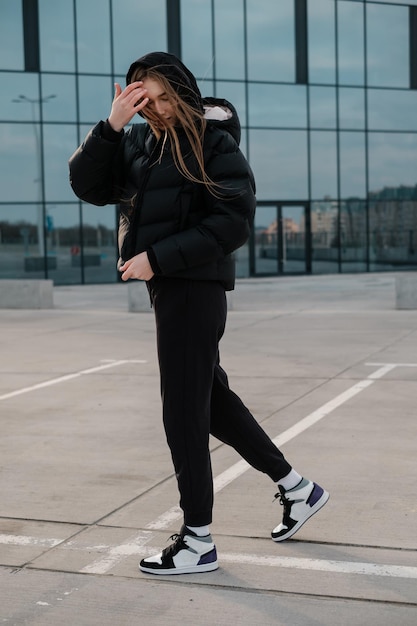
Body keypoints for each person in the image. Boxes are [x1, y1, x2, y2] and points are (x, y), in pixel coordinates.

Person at [69, 51, 329, 576]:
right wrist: (112, 125)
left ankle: (198, 541)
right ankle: (298, 490)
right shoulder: (139, 140)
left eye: (165, 97)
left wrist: (156, 258)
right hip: (168, 287)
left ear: (185, 92)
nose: (158, 109)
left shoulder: (213, 142)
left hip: (194, 287)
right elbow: (89, 188)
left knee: (183, 414)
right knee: (210, 401)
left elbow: (232, 222)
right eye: (146, 99)